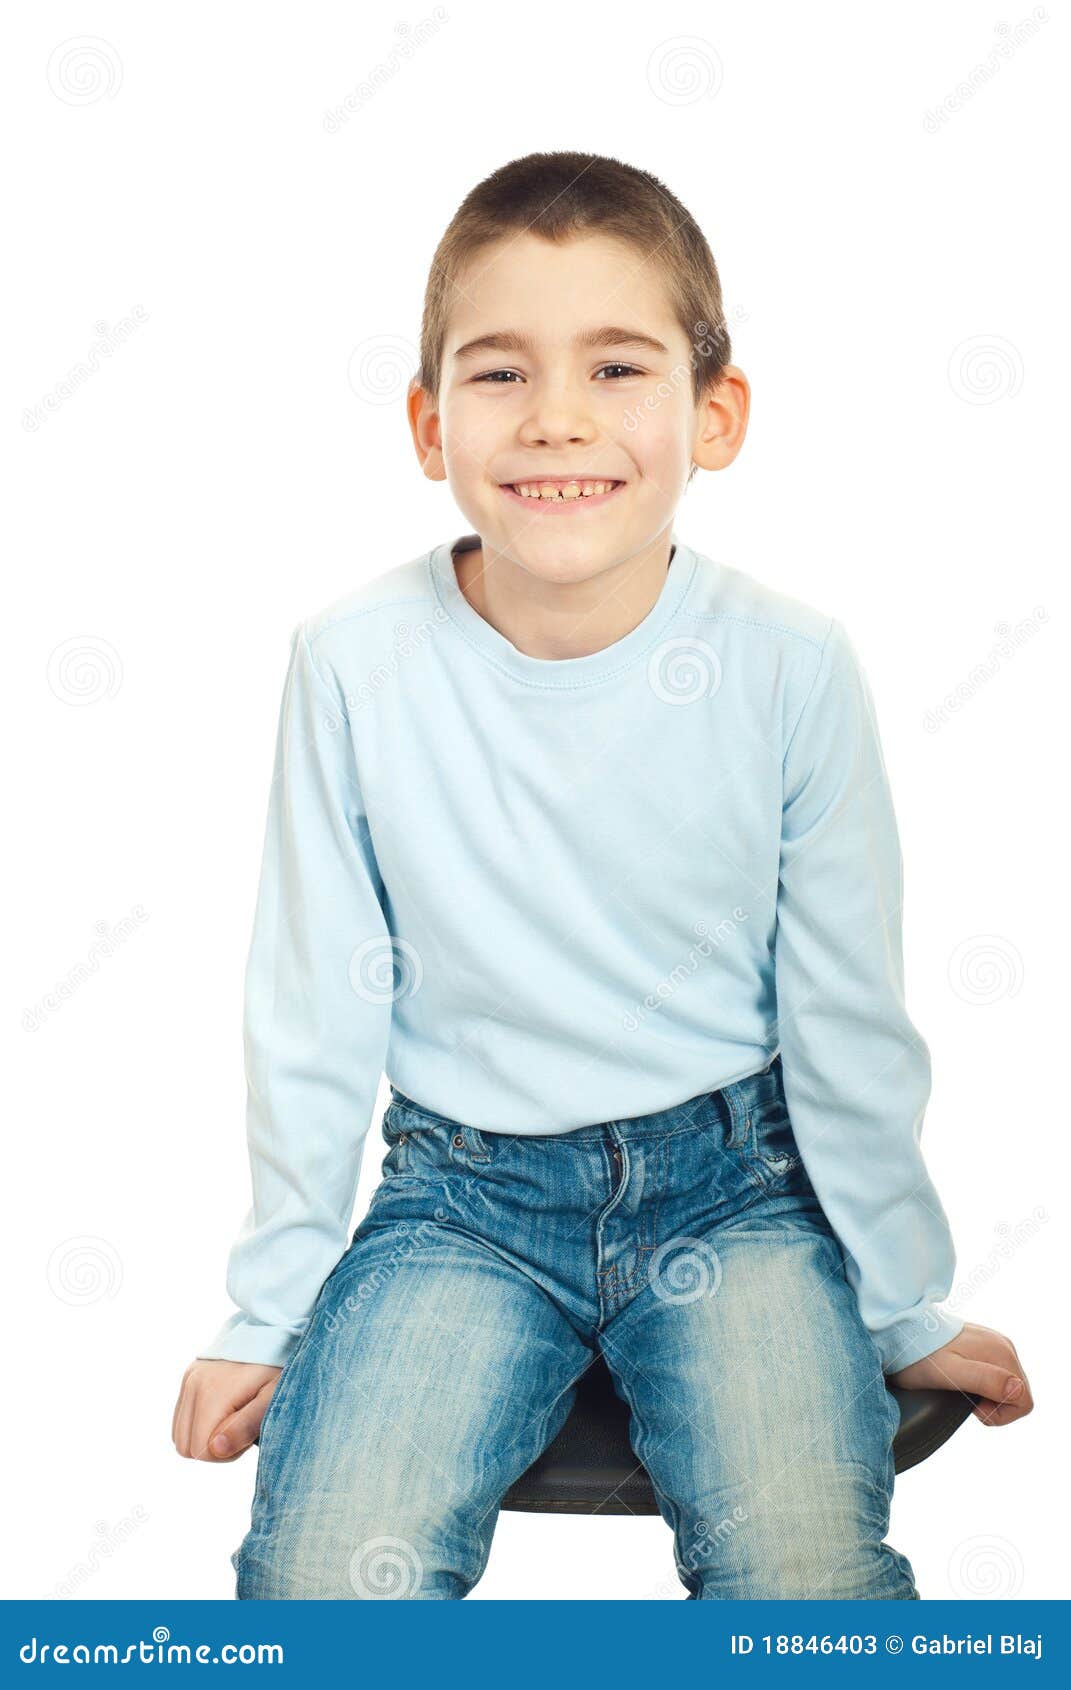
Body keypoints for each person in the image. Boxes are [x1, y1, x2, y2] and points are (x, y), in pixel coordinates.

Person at [171, 151, 1032, 1599]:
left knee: (809, 1572)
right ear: (428, 421)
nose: (558, 417)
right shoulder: (351, 664)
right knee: (322, 1576)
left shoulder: (789, 668)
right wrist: (267, 1309)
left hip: (737, 1191)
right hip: (460, 1197)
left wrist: (899, 1298)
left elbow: (846, 1017)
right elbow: (311, 1006)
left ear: (717, 413)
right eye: (500, 375)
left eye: (617, 366)